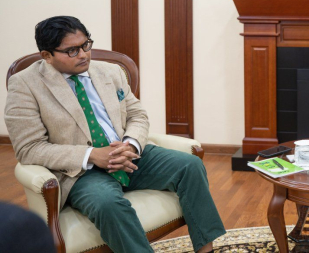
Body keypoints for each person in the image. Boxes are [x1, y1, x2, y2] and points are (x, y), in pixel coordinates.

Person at [4, 16, 226, 253]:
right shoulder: (25, 85)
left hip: (129, 155)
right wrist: (91, 155)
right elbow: (29, 148)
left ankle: (207, 250)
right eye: (72, 51)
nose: (83, 55)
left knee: (190, 165)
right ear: (47, 55)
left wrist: (130, 145)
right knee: (107, 202)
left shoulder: (110, 71)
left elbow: (137, 115)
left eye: (85, 45)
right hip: (81, 172)